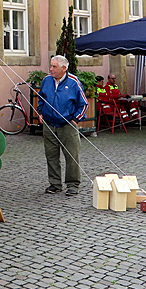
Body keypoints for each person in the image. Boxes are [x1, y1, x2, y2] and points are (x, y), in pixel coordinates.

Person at [37, 55, 88, 196]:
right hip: (49, 124)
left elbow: (83, 104)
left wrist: (75, 120)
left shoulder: (73, 82)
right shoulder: (46, 80)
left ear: (64, 68)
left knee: (71, 156)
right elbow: (41, 98)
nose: (51, 69)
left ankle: (73, 184)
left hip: (67, 125)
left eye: (54, 67)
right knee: (51, 155)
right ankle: (55, 184)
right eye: (51, 66)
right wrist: (40, 112)